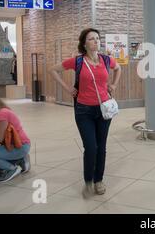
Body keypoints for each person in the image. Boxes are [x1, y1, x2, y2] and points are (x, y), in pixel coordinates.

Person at [49, 28, 121, 198]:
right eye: (91, 39)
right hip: (84, 111)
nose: (96, 41)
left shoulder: (106, 59)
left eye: (97, 38)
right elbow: (53, 70)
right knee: (90, 147)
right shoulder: (78, 61)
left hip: (104, 109)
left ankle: (99, 180)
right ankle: (88, 180)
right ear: (84, 43)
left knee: (101, 147)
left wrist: (114, 85)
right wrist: (68, 88)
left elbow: (118, 69)